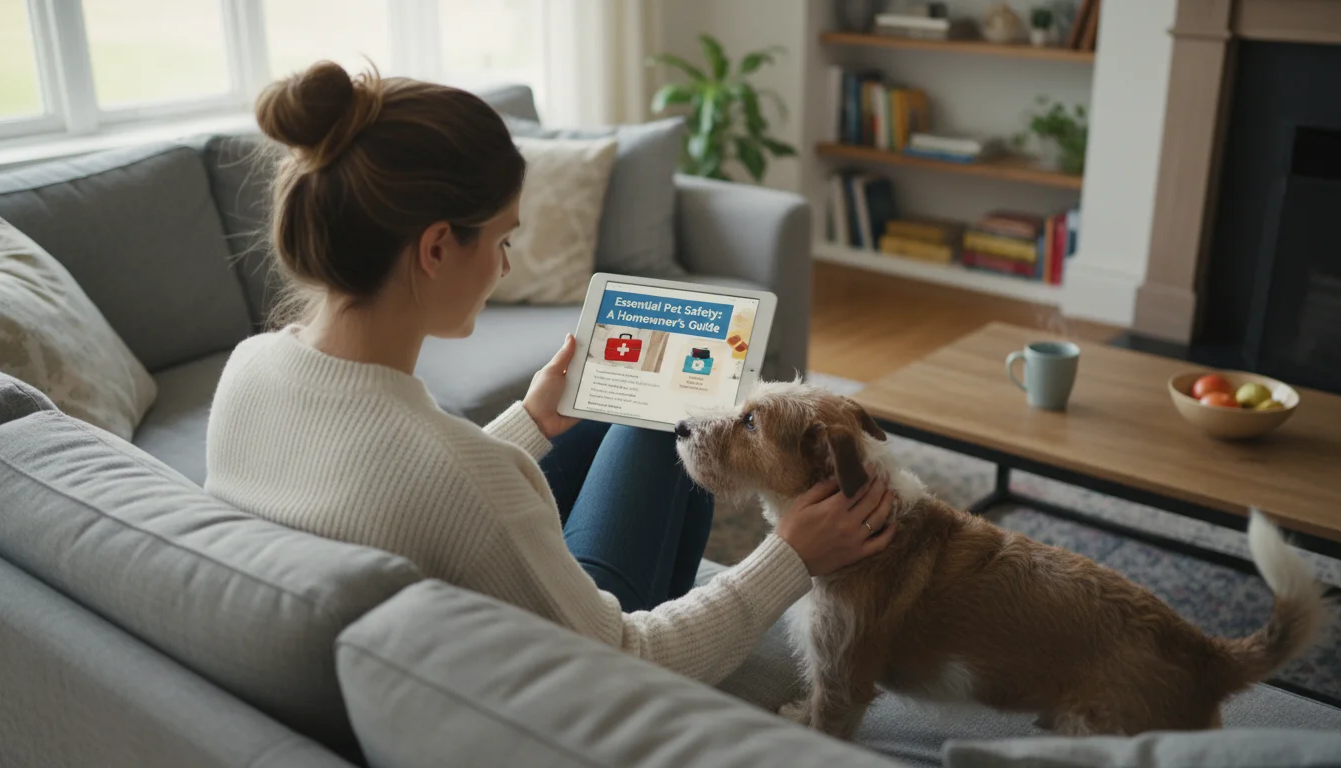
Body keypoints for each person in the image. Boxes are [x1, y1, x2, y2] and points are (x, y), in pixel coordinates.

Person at [204, 61, 896, 685]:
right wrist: (789, 556)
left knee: (626, 406)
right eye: (502, 239)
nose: (504, 265)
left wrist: (532, 423)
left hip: (407, 628)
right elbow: (626, 654)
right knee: (664, 420)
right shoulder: (458, 473)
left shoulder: (249, 369)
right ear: (437, 248)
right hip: (585, 677)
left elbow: (404, 487)